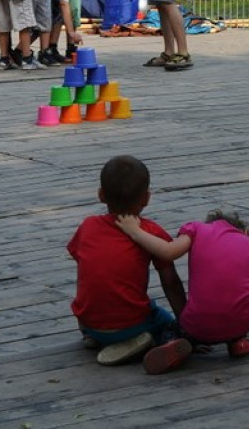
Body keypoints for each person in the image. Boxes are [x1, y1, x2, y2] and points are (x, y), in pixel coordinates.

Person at [67, 155, 189, 374]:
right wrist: (187, 324)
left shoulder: (87, 226)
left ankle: (97, 338)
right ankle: (156, 342)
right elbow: (171, 284)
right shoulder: (150, 232)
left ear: (101, 195)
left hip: (89, 323)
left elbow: (87, 267)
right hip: (133, 324)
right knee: (165, 320)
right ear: (147, 198)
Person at [117, 208, 249, 360]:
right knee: (236, 318)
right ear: (246, 232)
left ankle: (176, 342)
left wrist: (135, 231)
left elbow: (168, 252)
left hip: (197, 325)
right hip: (241, 324)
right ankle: (238, 343)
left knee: (170, 329)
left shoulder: (197, 229)